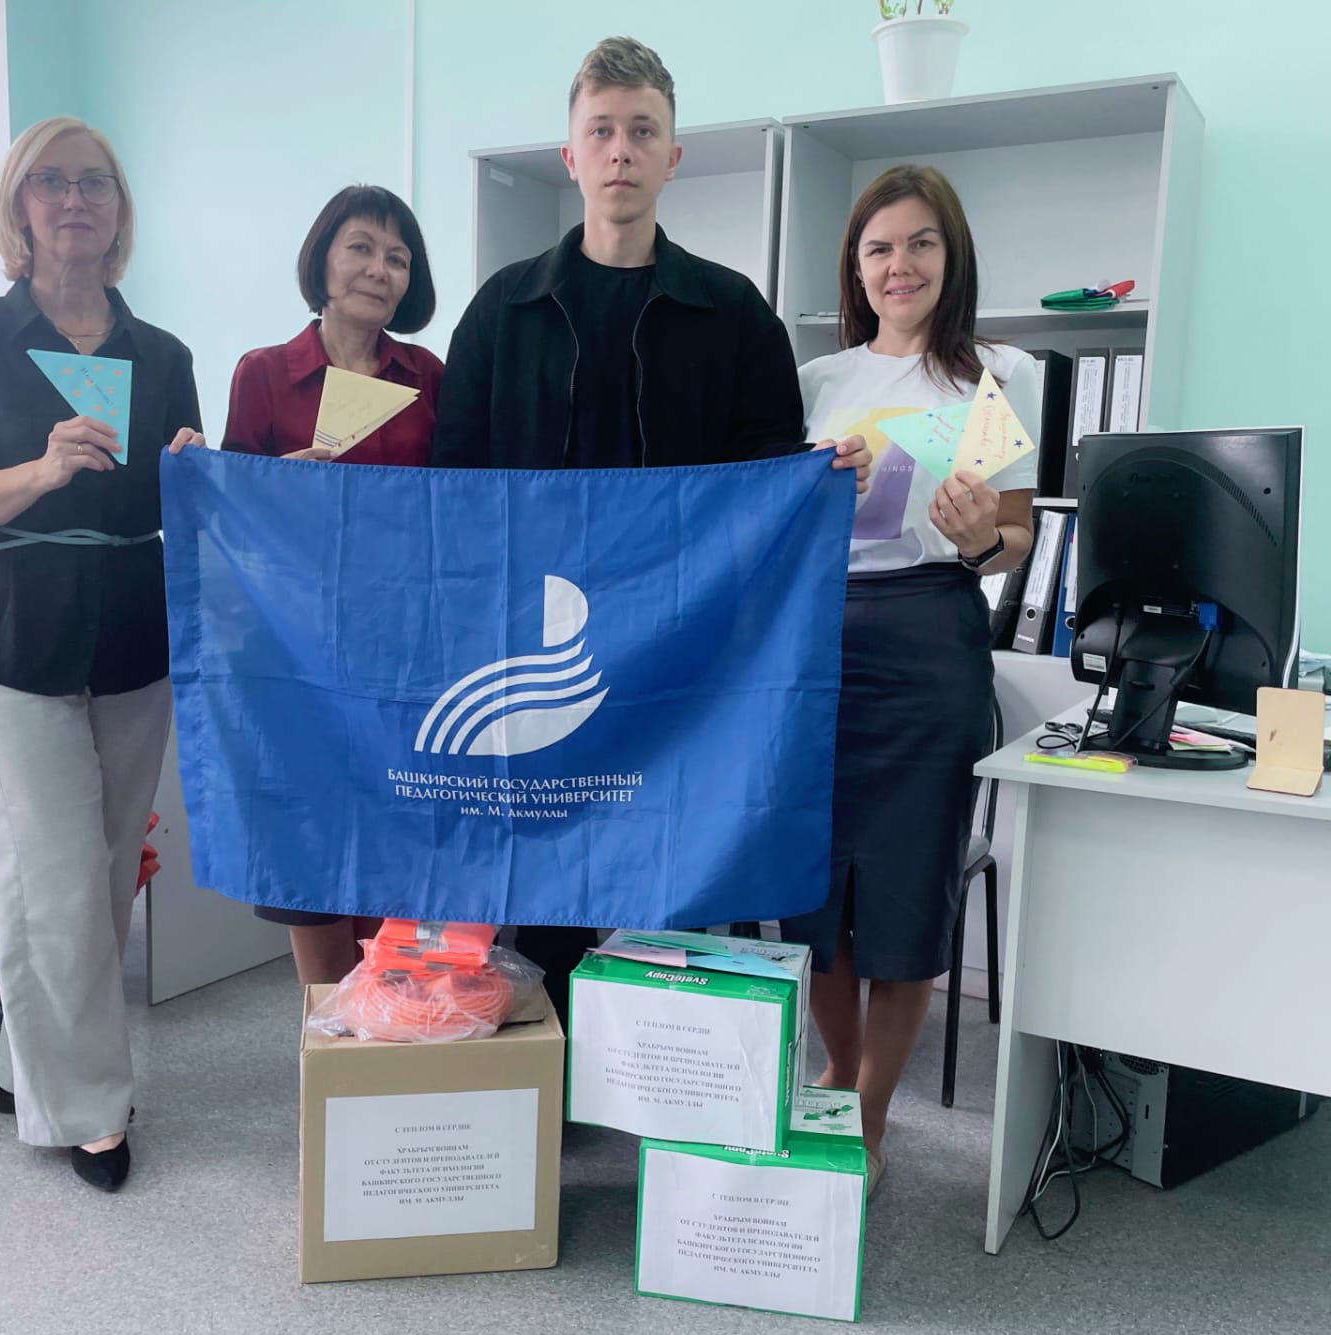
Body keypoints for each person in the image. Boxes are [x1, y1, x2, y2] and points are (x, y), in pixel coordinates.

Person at [432, 36, 872, 1024]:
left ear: (673, 157)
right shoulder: (502, 310)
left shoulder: (733, 312)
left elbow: (768, 480)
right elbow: (453, 486)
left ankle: (657, 1080)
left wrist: (818, 475)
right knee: (543, 890)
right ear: (571, 156)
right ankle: (547, 1081)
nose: (621, 150)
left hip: (685, 654)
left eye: (642, 131)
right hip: (542, 646)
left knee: (669, 887)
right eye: (601, 131)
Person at [0, 116, 201, 1192]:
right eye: (52, 182)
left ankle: (24, 1061)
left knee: (106, 876)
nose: (75, 199)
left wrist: (194, 468)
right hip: (9, 642)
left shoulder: (162, 356)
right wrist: (39, 470)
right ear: (19, 207)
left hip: (132, 638)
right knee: (52, 879)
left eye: (95, 183)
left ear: (119, 210)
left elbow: (173, 501)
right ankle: (89, 1111)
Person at [779, 164, 1040, 1197]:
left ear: (950, 255)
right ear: (855, 265)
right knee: (818, 892)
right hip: (817, 642)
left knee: (904, 886)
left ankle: (873, 1110)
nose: (900, 264)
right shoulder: (815, 379)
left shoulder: (993, 377)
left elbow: (1014, 535)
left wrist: (980, 540)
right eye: (879, 246)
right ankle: (835, 1071)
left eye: (921, 242)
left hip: (932, 636)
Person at [170, 184, 442, 985]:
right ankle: (325, 1030)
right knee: (311, 845)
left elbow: (454, 507)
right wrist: (271, 486)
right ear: (322, 259)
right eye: (361, 247)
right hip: (294, 652)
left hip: (400, 651)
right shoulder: (263, 374)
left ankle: (387, 1026)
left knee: (395, 841)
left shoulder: (430, 376)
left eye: (398, 257)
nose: (379, 269)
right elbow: (232, 525)